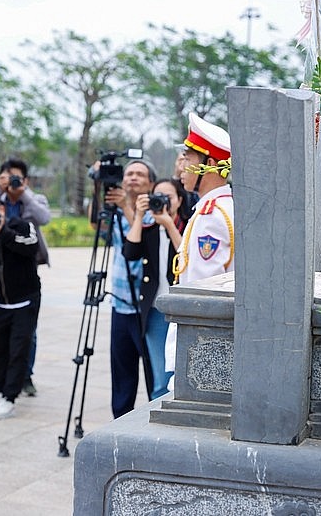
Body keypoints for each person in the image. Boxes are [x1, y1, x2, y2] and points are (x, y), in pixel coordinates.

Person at [165, 112, 233, 390]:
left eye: (190, 159)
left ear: (211, 164)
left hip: (202, 346)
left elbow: (203, 293)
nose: (182, 166)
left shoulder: (212, 215)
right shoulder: (215, 208)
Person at [92, 159, 157, 418]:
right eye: (128, 173)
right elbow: (97, 226)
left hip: (146, 307)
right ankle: (120, 421)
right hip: (120, 303)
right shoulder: (115, 212)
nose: (132, 178)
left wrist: (127, 209)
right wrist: (98, 187)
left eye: (140, 174)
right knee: (122, 375)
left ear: (151, 182)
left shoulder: (155, 211)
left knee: (154, 374)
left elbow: (138, 244)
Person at [0, 157, 51, 396]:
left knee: (26, 333)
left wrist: (23, 193)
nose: (11, 182)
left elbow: (43, 218)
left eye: (17, 177)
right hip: (0, 270)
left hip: (25, 267)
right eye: (7, 177)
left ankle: (26, 376)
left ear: (25, 179)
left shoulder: (33, 199)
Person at [0, 192, 41, 419]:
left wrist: (1, 232)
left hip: (25, 302)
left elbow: (31, 247)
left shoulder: (23, 225)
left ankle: (10, 399)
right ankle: (0, 391)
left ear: (2, 209)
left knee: (18, 351)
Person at [123, 178, 190, 399]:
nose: (162, 202)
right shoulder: (149, 230)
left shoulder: (189, 226)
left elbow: (188, 259)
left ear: (180, 200)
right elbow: (130, 253)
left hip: (183, 311)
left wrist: (169, 224)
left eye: (167, 197)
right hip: (155, 312)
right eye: (156, 197)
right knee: (160, 379)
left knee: (184, 374)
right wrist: (140, 216)